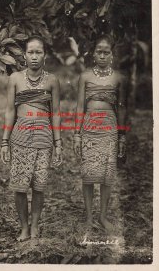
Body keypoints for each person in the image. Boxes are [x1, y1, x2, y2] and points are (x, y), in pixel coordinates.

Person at [1, 35, 62, 241]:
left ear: (44, 55)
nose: (34, 56)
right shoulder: (15, 79)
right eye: (30, 52)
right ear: (24, 55)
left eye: (38, 52)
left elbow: (56, 114)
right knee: (20, 186)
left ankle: (35, 226)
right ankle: (24, 227)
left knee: (39, 185)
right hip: (20, 137)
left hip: (44, 138)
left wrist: (58, 143)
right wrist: (5, 141)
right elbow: (10, 110)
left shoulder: (52, 80)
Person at [73, 34, 127, 234]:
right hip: (89, 127)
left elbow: (120, 109)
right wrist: (77, 134)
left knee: (106, 174)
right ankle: (88, 217)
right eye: (99, 52)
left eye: (107, 52)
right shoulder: (85, 76)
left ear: (112, 54)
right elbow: (80, 107)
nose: (102, 55)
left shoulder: (117, 78)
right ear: (93, 54)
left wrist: (122, 136)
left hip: (109, 127)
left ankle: (102, 216)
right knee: (88, 174)